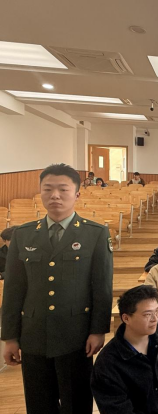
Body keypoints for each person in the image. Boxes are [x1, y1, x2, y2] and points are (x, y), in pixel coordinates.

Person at [1, 163, 113, 414]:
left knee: (77, 404)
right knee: (38, 404)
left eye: (63, 189)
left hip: (76, 336)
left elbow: (102, 288)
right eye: (48, 189)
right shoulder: (23, 234)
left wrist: (98, 330)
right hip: (33, 336)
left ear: (77, 194)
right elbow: (13, 290)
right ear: (40, 192)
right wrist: (10, 337)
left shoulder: (95, 234)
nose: (55, 195)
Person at [91, 285, 158, 414]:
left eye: (157, 312)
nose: (155, 319)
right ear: (126, 318)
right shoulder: (108, 364)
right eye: (147, 314)